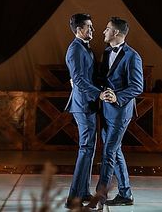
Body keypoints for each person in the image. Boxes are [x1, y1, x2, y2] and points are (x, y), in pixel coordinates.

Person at [93, 17, 144, 208]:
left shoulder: (133, 56)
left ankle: (100, 197)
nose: (103, 32)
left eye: (106, 29)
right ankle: (126, 194)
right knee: (116, 151)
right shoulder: (107, 52)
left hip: (121, 111)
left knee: (108, 153)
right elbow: (103, 78)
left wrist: (117, 97)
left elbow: (137, 86)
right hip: (106, 110)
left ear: (115, 32)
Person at [64, 13, 100, 209]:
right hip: (83, 104)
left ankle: (84, 191)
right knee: (85, 148)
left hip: (88, 104)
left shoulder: (84, 47)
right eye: (89, 27)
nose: (92, 30)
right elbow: (78, 79)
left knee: (89, 148)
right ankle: (73, 197)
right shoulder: (75, 49)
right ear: (79, 29)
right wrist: (99, 94)